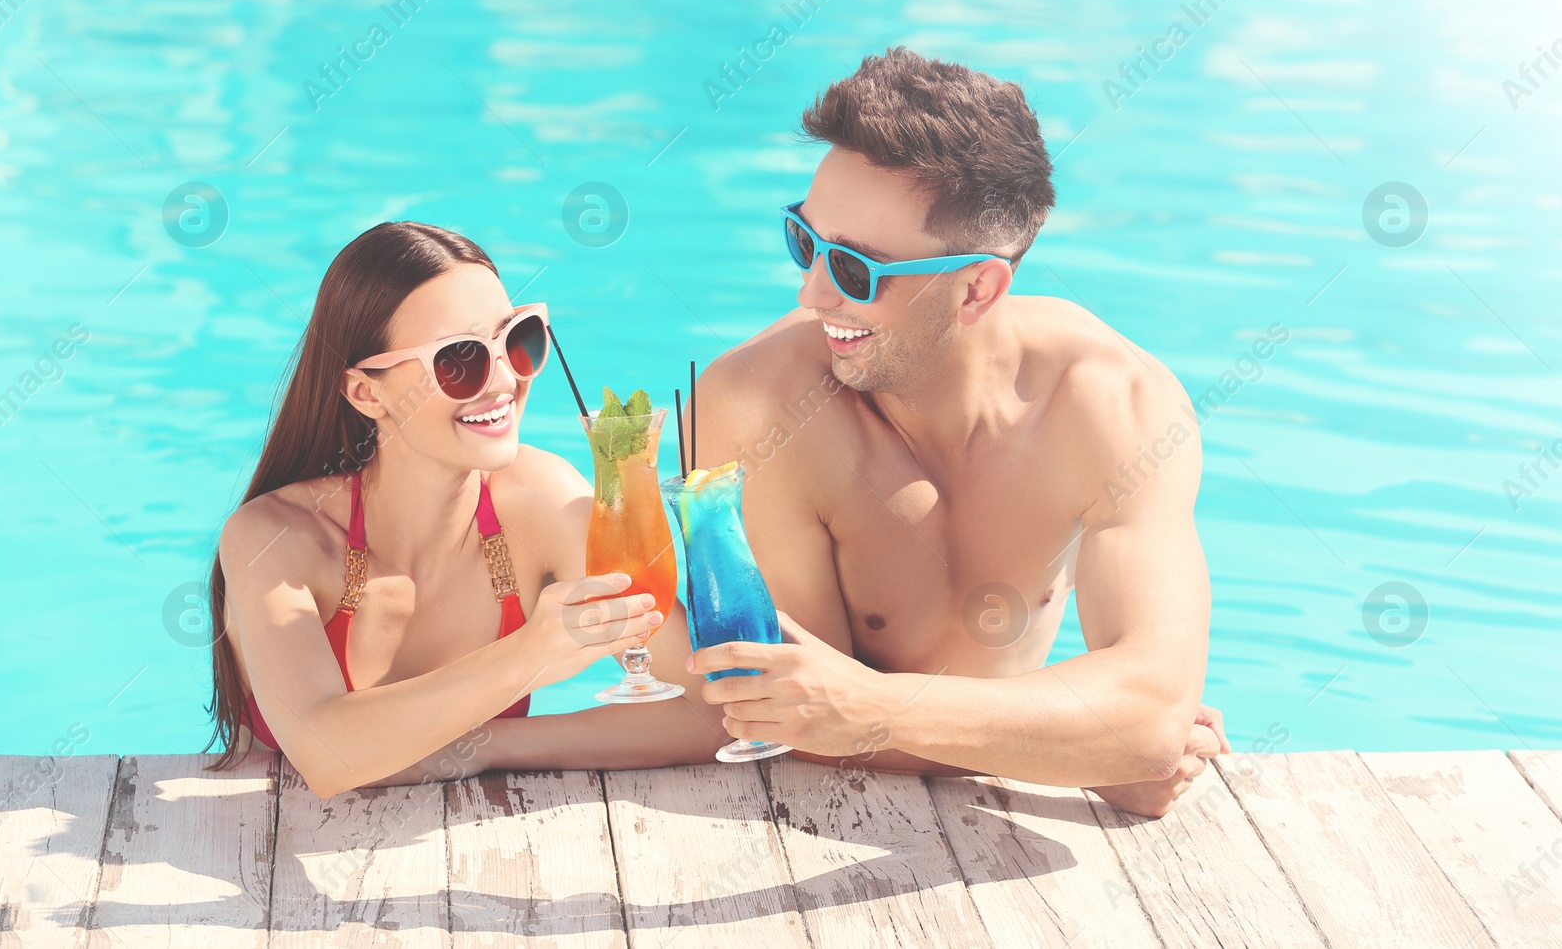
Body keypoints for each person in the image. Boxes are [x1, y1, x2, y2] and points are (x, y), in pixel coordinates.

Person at [377, 49, 1228, 819]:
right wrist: (1077, 744)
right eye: (804, 241)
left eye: (856, 269)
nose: (812, 295)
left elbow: (1149, 711)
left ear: (976, 289)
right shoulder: (754, 409)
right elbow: (791, 722)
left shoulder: (1117, 404)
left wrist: (879, 708)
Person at [205, 222, 661, 797]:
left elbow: (708, 707)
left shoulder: (542, 497)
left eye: (518, 339)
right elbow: (325, 756)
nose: (502, 381)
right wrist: (530, 652)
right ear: (367, 393)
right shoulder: (275, 539)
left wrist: (484, 746)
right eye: (459, 360)